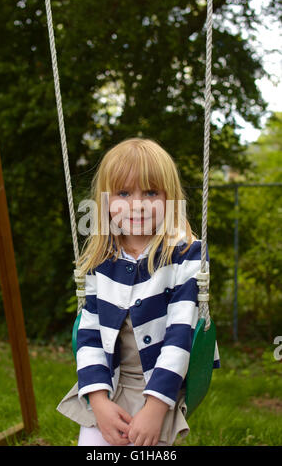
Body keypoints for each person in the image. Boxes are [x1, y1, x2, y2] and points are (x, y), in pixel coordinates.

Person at [57, 137, 220, 446]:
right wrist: (98, 400)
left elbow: (180, 333)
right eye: (123, 193)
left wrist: (156, 407)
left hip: (163, 384)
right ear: (105, 201)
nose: (137, 204)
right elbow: (89, 333)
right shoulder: (99, 259)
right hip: (110, 380)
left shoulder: (185, 256)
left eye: (151, 192)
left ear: (169, 198)